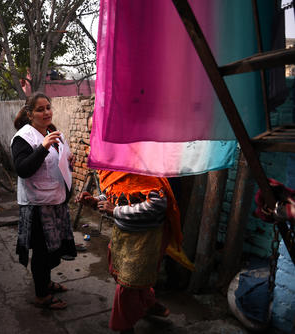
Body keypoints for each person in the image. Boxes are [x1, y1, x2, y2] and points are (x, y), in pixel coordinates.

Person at [76, 171, 194, 333]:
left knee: (128, 283)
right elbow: (114, 194)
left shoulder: (147, 172)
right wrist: (96, 201)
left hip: (145, 237)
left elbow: (157, 205)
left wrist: (116, 211)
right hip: (122, 232)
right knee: (124, 275)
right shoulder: (114, 169)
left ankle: (125, 327)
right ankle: (148, 302)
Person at [11, 92, 77, 310]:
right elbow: (23, 169)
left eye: (48, 107)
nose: (46, 112)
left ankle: (46, 282)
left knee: (52, 248)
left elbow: (56, 163)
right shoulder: (23, 138)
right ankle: (41, 296)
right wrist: (43, 147)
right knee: (41, 251)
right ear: (30, 114)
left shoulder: (53, 132)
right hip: (37, 204)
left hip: (55, 198)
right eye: (40, 109)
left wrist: (68, 161)